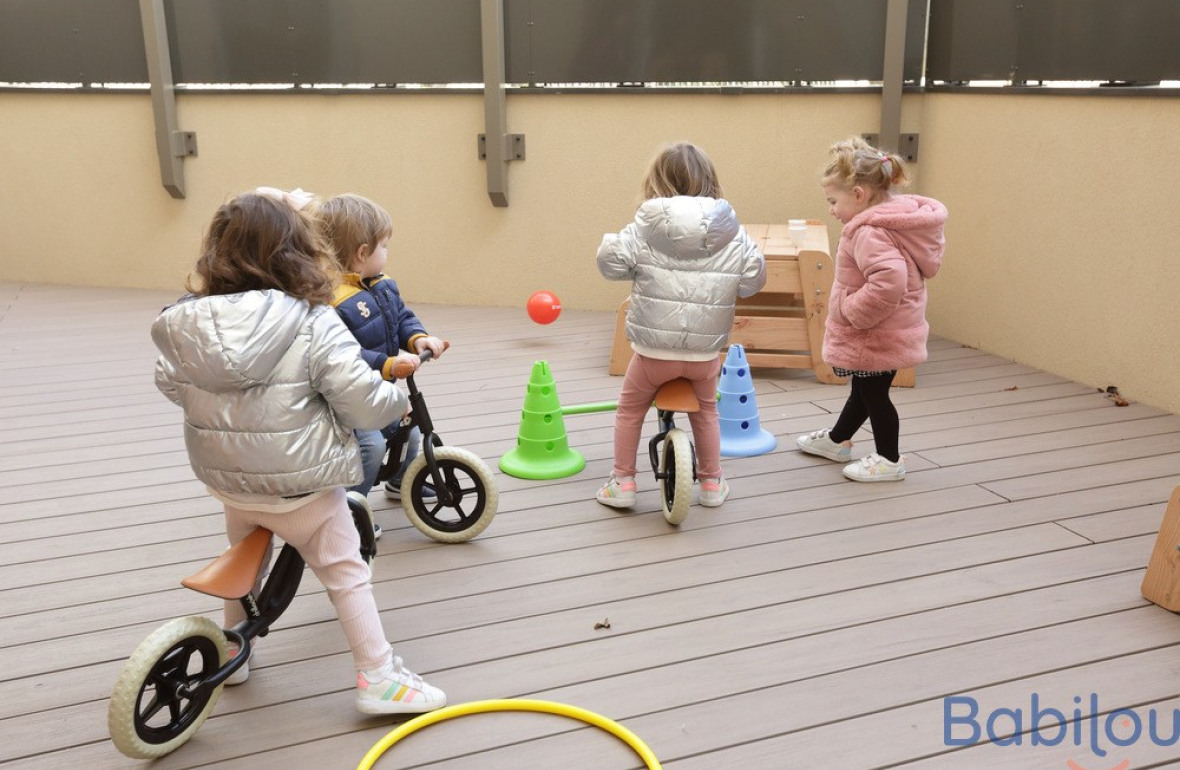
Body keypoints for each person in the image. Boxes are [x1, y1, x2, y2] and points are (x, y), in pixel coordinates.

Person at [151, 187, 446, 714]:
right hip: (302, 485)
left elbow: (170, 383)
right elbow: (359, 399)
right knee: (345, 571)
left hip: (229, 481)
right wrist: (396, 401)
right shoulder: (312, 319)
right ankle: (379, 677)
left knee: (245, 561)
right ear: (298, 251)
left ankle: (232, 651)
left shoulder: (187, 321)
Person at [596, 142, 766, 509]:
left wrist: (614, 246)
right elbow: (753, 280)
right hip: (704, 355)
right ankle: (711, 483)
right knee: (706, 413)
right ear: (711, 181)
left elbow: (611, 264)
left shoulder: (643, 226)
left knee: (630, 410)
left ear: (656, 181)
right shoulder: (731, 231)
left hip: (652, 354)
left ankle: (622, 482)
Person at [796, 137, 948, 482]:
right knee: (865, 389)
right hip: (890, 327)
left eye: (833, 201)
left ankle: (889, 459)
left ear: (858, 195)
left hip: (874, 331)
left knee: (874, 395)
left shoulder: (868, 232)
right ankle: (838, 439)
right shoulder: (893, 221)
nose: (831, 210)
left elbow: (889, 280)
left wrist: (853, 311)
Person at [314, 193, 446, 533]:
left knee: (411, 431)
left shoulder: (383, 285)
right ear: (362, 253)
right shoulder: (330, 301)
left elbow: (401, 318)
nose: (387, 253)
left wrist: (418, 339)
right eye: (383, 246)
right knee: (371, 447)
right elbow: (341, 355)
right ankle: (348, 514)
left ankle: (402, 480)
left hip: (376, 389)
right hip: (346, 401)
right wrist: (387, 365)